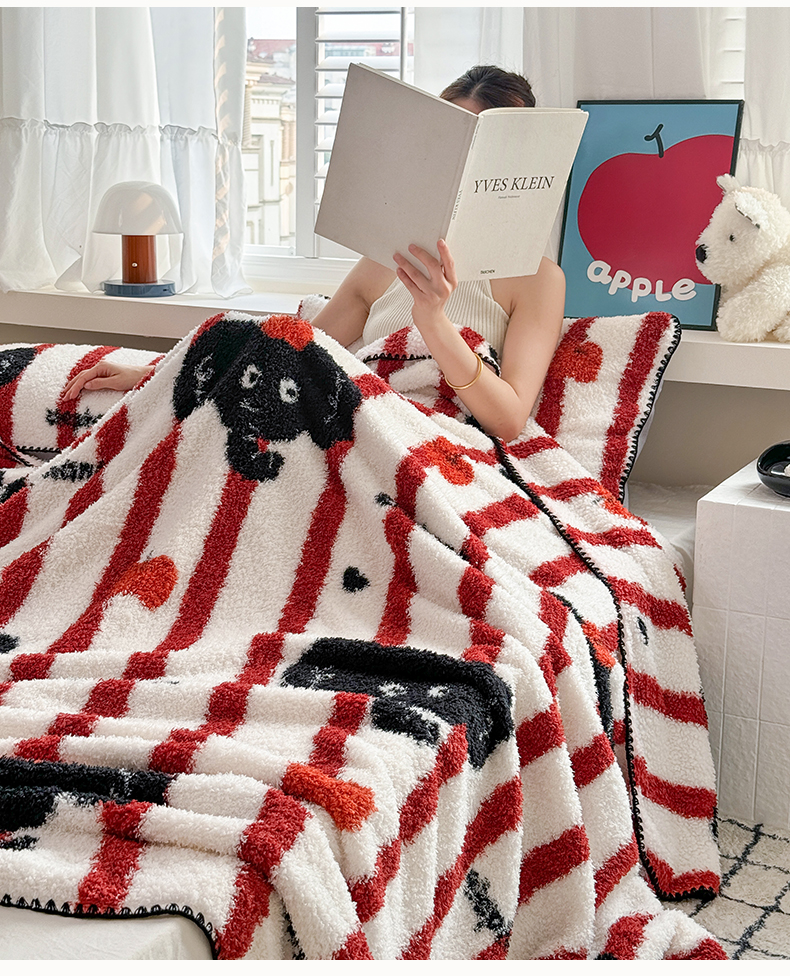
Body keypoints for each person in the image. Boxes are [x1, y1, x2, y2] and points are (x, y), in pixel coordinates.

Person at [63, 66, 565, 444]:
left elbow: (508, 420)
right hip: (354, 423)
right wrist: (156, 376)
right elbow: (293, 354)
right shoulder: (388, 256)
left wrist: (433, 320)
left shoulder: (538, 278)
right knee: (232, 335)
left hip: (432, 441)